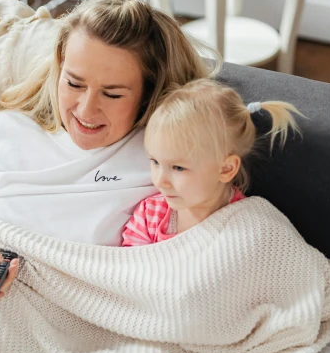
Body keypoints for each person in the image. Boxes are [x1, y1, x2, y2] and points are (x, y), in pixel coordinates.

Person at [0, 0, 214, 300]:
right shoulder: (5, 133)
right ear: (59, 67)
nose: (85, 110)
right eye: (74, 83)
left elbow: (210, 243)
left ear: (150, 93)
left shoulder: (162, 162)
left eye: (112, 94)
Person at [122, 78, 301, 246]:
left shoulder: (248, 226)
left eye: (178, 167)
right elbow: (125, 269)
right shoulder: (150, 214)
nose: (160, 181)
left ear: (226, 169)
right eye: (155, 162)